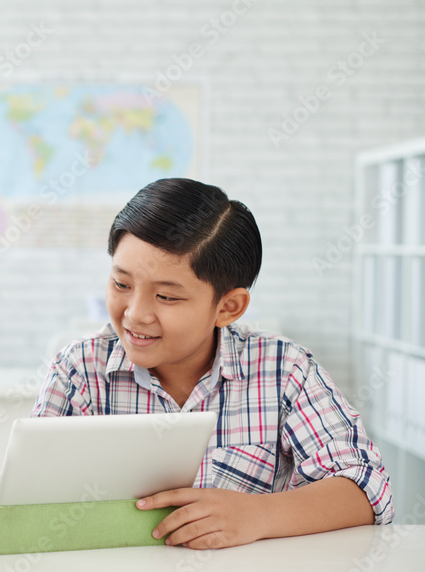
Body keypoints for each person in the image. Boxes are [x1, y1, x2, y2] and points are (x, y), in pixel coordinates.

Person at [32, 178, 393, 549]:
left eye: (167, 296)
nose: (135, 314)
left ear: (227, 307)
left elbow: (367, 487)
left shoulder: (284, 369)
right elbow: (26, 502)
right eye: (121, 285)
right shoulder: (78, 369)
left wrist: (259, 514)